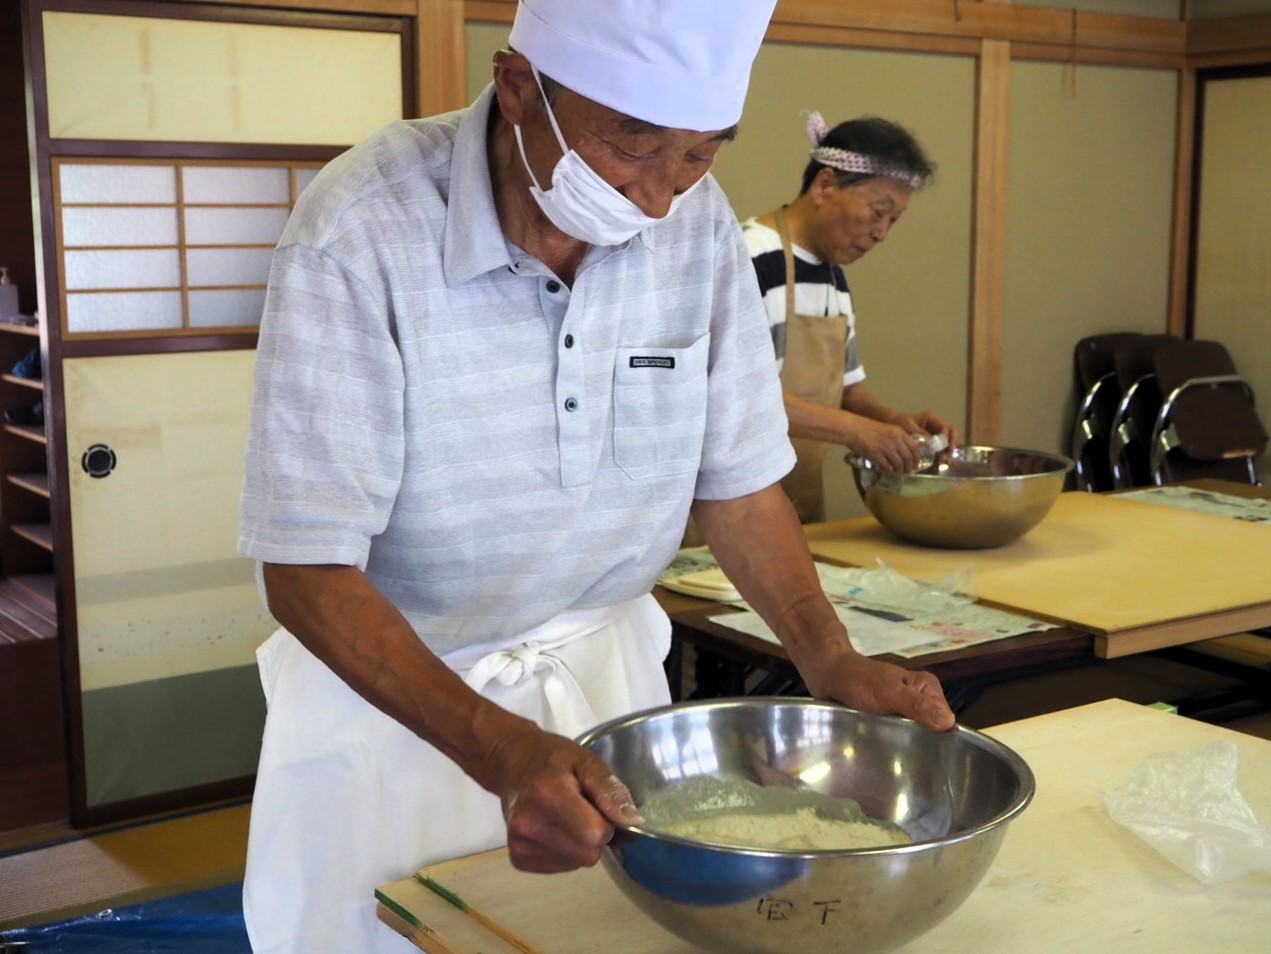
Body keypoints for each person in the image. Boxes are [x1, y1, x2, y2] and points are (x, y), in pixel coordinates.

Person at [238, 2, 956, 950]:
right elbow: (306, 568)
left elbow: (737, 484)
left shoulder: (695, 231)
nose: (660, 197)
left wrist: (829, 658)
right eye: (630, 145)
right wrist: (497, 748)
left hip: (604, 696)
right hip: (398, 710)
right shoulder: (362, 227)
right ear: (517, 86)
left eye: (699, 154)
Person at [743, 113, 958, 523]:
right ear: (825, 184)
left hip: (793, 505)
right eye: (878, 212)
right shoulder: (750, 256)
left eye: (893, 221)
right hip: (729, 509)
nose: (882, 233)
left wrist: (895, 423)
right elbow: (738, 397)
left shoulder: (832, 277)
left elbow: (846, 393)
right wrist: (855, 432)